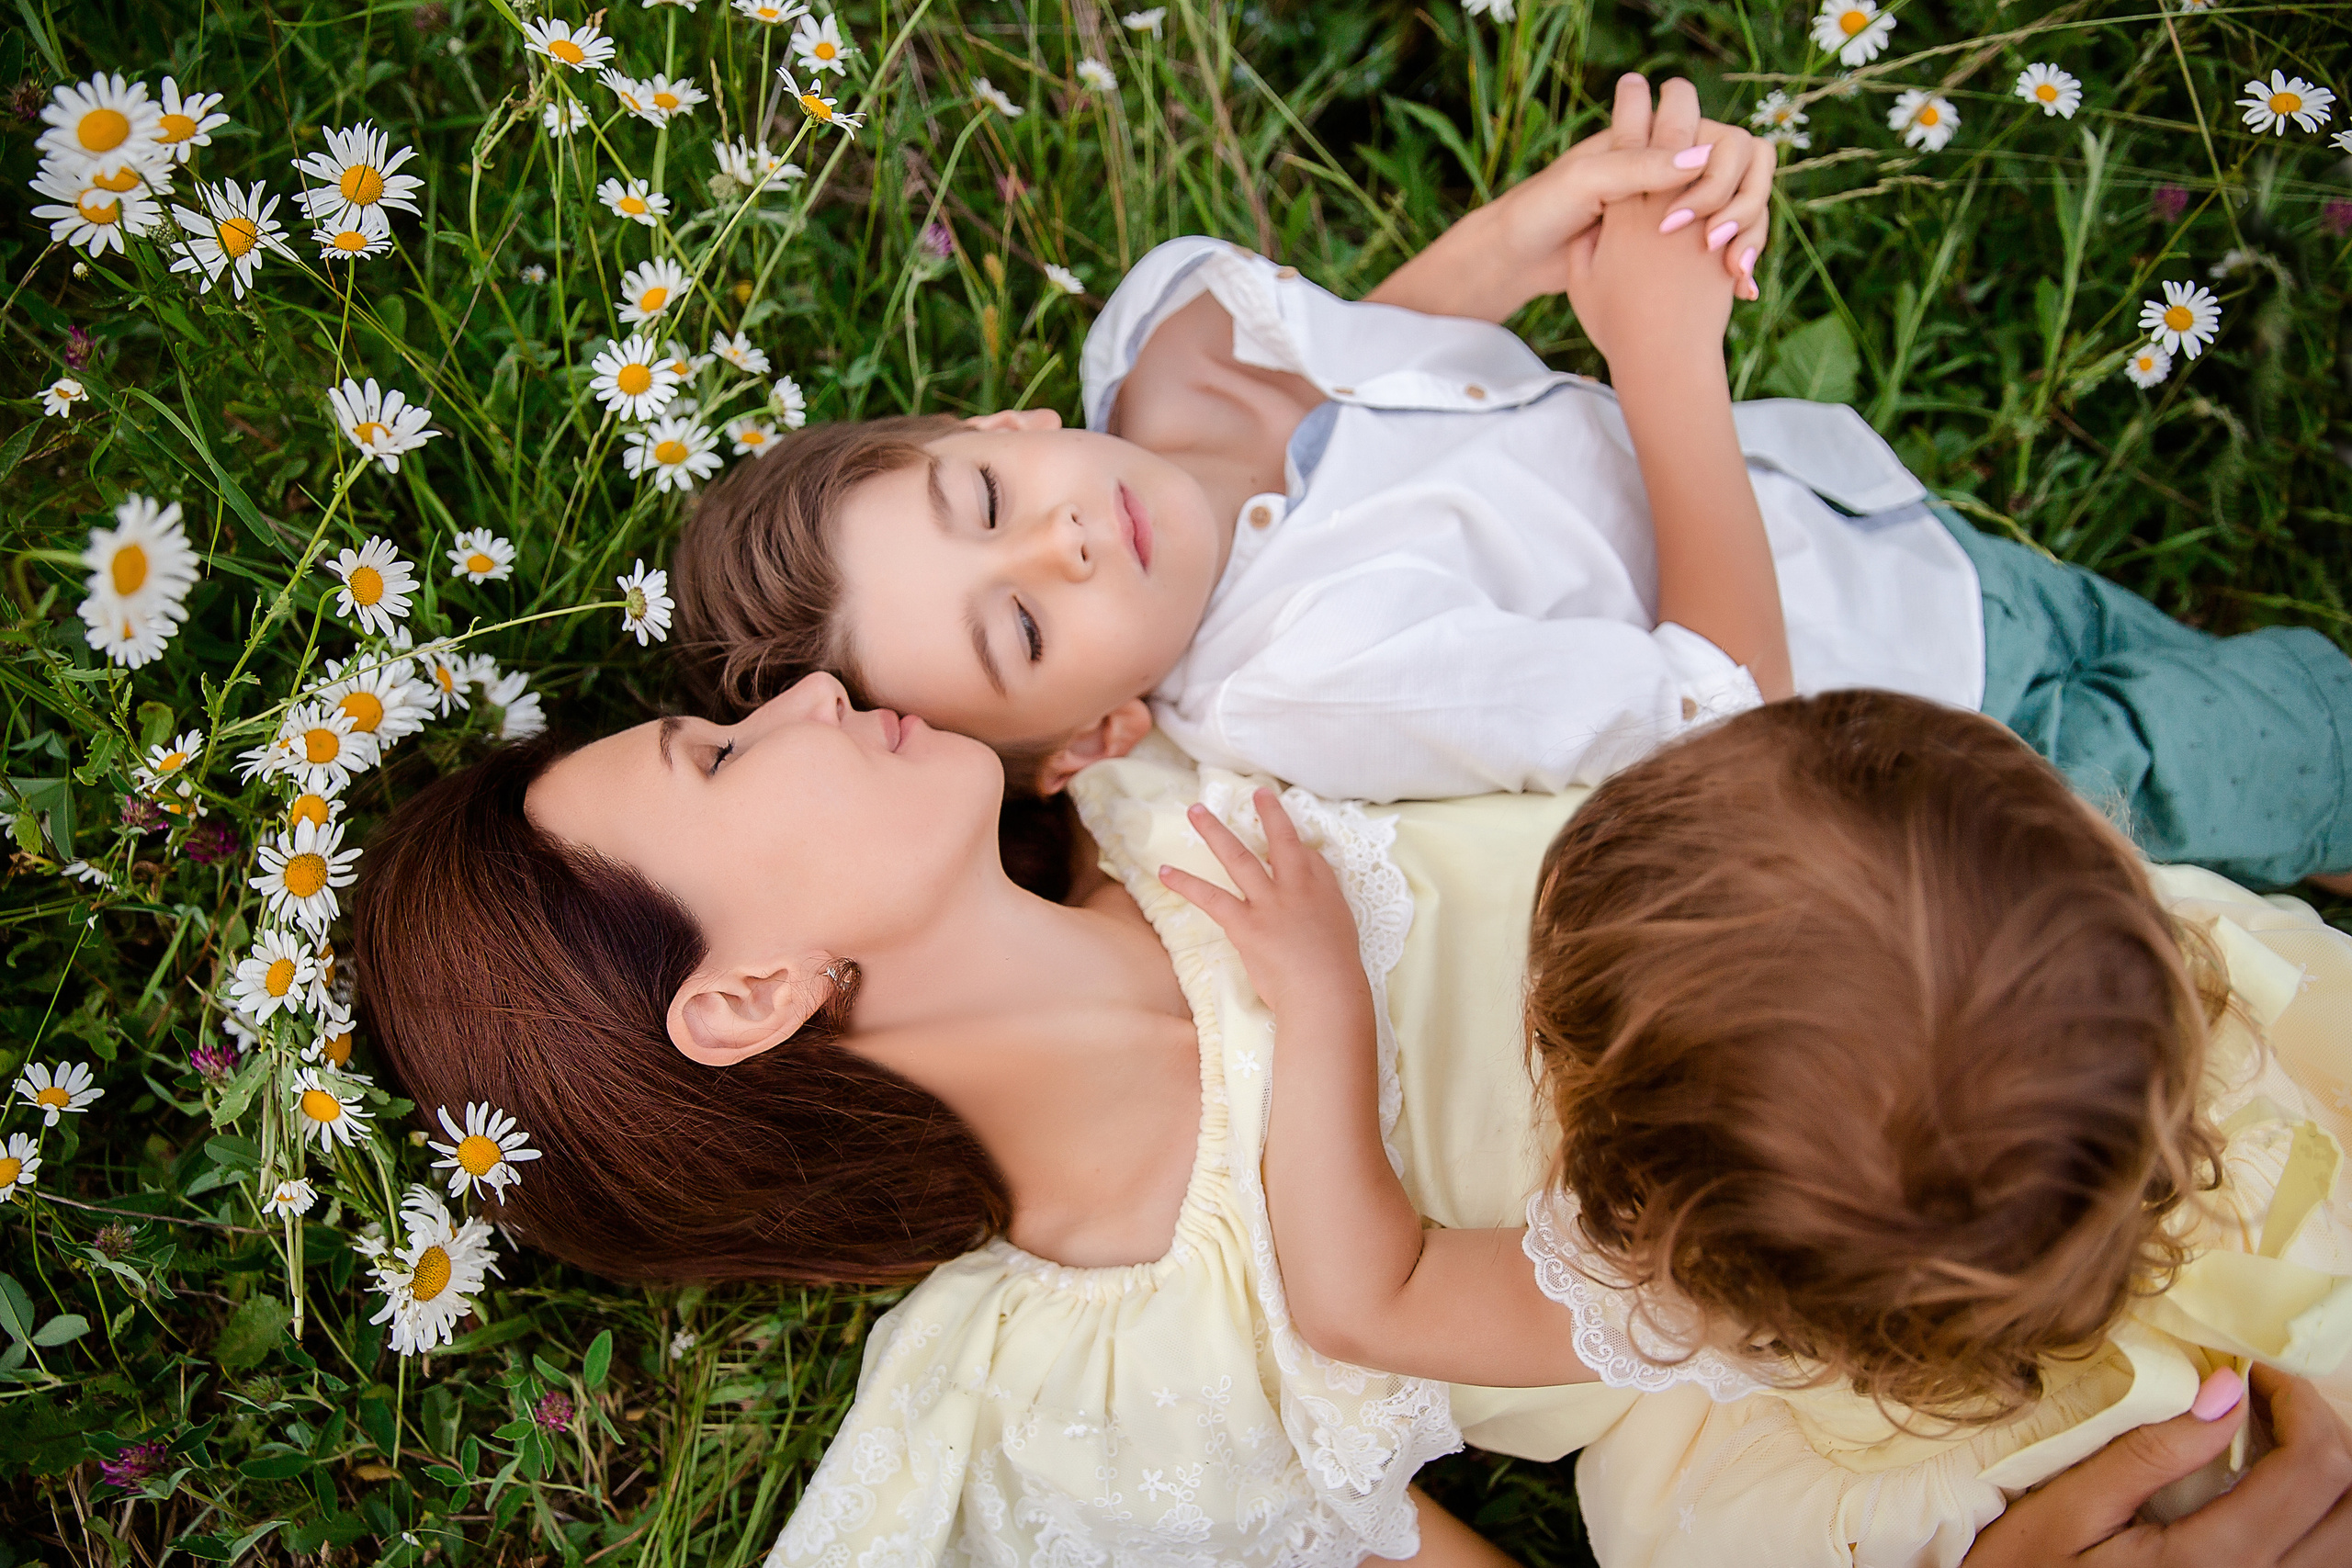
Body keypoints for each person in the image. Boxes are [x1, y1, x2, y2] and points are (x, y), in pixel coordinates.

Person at [354, 676, 2352, 1568]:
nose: (794, 693)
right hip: (1894, 1343)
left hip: (2021, 991)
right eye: (719, 750)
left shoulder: (1161, 757)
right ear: (744, 996)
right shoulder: (1101, 1350)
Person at [669, 73, 2352, 892]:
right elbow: (1726, 719)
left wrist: (1532, 234)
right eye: (1024, 636)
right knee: (2299, 743)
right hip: (1937, 739)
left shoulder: (1170, 332)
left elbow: (1373, 361)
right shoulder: (1299, 676)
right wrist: (1662, 358)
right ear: (1104, 738)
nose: (1057, 545)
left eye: (979, 506)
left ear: (1000, 426)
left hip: (1884, 532)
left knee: (2225, 690)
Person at [1163, 690, 2352, 1566]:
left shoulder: (1674, 1288)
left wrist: (1326, 1003)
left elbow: (1368, 1300)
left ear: (1657, 1226)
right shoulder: (2073, 976)